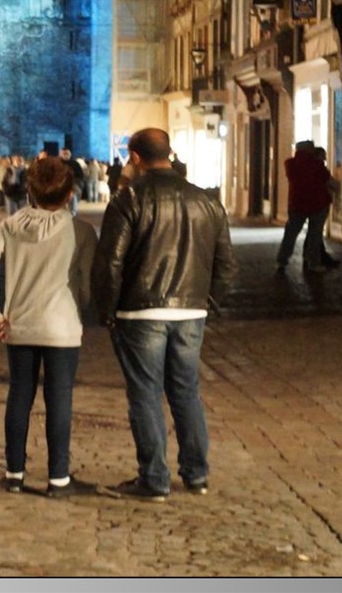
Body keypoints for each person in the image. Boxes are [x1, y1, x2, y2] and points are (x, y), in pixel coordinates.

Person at [92, 126, 235, 501]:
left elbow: (110, 262)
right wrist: (209, 304)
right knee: (186, 390)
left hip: (141, 310)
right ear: (168, 153)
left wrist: (107, 310)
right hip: (190, 311)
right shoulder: (206, 201)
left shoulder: (129, 199)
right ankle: (196, 473)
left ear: (135, 157)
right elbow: (225, 265)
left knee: (145, 393)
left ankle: (154, 477)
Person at [0, 152, 98, 497]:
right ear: (70, 193)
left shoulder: (11, 226)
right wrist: (82, 306)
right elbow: (88, 281)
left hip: (20, 325)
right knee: (59, 400)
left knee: (20, 395)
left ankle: (14, 473)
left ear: (29, 190)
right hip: (62, 326)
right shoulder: (81, 231)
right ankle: (58, 478)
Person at [275, 140, 340, 274]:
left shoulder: (290, 164)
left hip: (297, 204)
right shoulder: (317, 165)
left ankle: (282, 261)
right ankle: (313, 262)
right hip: (318, 203)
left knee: (290, 234)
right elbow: (331, 182)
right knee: (314, 235)